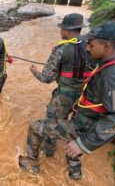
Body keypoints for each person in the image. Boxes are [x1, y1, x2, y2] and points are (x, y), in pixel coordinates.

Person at [19, 21, 115, 180]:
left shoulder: (113, 75)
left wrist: (85, 143)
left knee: (35, 127)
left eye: (92, 45)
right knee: (73, 144)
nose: (87, 48)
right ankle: (74, 175)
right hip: (84, 118)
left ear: (106, 46)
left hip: (84, 125)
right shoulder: (111, 65)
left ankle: (31, 163)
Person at [29, 13, 95, 156]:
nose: (60, 32)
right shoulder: (92, 45)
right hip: (86, 96)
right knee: (75, 127)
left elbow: (47, 78)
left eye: (61, 29)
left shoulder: (61, 48)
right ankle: (73, 160)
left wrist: (34, 71)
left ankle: (48, 152)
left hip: (65, 95)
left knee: (53, 123)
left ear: (67, 30)